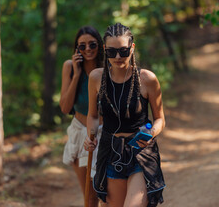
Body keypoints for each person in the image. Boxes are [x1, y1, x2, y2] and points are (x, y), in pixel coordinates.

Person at [85, 23, 166, 207]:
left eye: (123, 50)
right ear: (105, 50)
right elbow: (93, 115)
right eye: (112, 52)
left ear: (132, 47)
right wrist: (90, 136)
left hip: (140, 152)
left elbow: (160, 118)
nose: (118, 57)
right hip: (111, 152)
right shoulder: (96, 78)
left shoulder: (147, 79)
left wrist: (151, 132)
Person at [60, 26, 104, 207]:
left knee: (108, 194)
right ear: (76, 49)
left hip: (105, 133)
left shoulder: (107, 68)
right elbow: (65, 107)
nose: (88, 49)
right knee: (89, 197)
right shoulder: (69, 67)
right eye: (82, 46)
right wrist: (77, 75)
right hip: (80, 133)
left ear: (99, 46)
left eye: (92, 44)